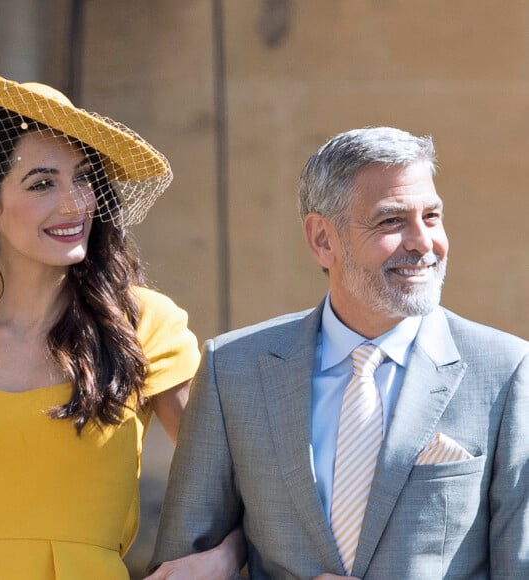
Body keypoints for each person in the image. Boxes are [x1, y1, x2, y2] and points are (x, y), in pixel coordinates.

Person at [149, 126, 529, 579]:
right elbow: (181, 569)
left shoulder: (506, 370)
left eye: (431, 216)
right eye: (391, 221)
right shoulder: (232, 370)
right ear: (322, 240)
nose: (424, 243)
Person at [0, 61, 243, 580]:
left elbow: (238, 479)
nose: (74, 203)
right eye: (42, 183)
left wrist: (223, 559)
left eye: (84, 179)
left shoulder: (143, 323)